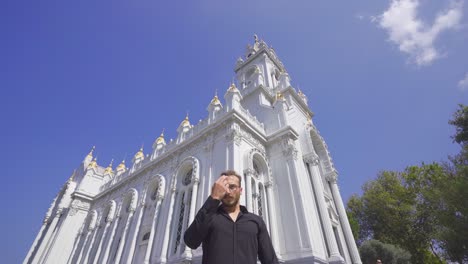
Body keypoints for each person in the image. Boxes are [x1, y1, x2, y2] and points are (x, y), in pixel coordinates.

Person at [184, 170, 279, 264]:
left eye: (232, 187)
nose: (228, 192)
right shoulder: (209, 217)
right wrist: (214, 198)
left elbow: (270, 259)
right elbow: (191, 241)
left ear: (240, 190)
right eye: (224, 187)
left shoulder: (256, 221)